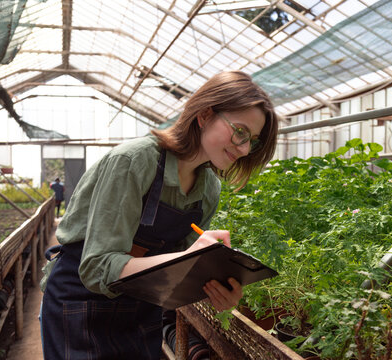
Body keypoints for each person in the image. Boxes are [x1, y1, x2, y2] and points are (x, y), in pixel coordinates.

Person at [39, 70, 279, 360]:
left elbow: (171, 277)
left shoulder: (208, 190)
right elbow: (97, 266)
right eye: (240, 131)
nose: (243, 149)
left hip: (141, 307)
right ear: (204, 115)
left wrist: (213, 284)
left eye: (252, 140)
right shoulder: (134, 161)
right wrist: (183, 258)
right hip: (80, 303)